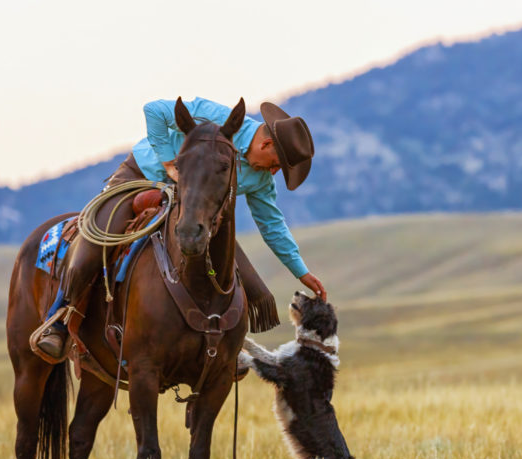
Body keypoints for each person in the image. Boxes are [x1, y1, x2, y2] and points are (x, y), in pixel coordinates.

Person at [37, 97, 326, 360]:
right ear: (266, 145)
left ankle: (223, 347)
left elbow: (272, 224)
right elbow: (154, 110)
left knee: (230, 266)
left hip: (190, 209)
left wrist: (301, 271)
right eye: (276, 164)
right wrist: (168, 162)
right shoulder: (214, 117)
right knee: (97, 239)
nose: (273, 172)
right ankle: (59, 321)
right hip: (142, 175)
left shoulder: (261, 179)